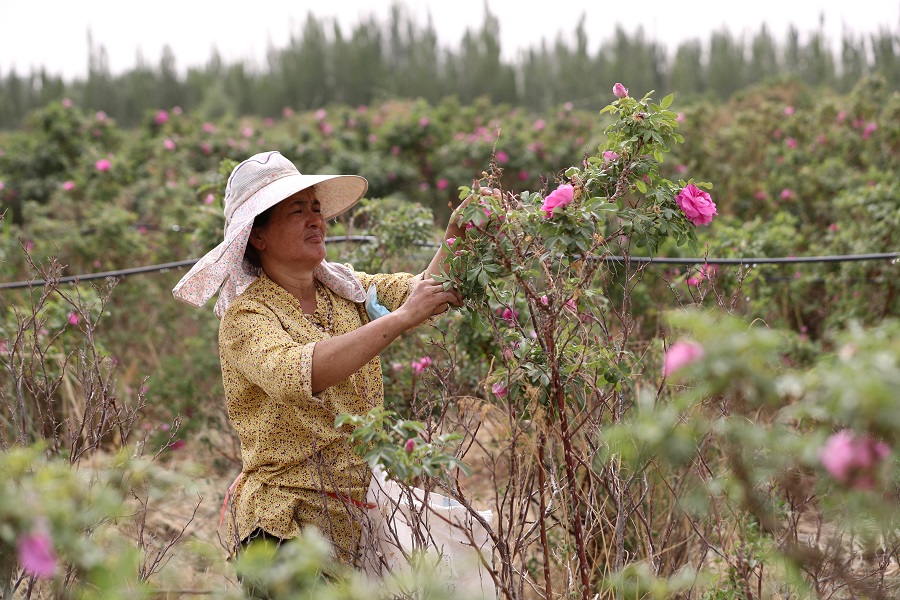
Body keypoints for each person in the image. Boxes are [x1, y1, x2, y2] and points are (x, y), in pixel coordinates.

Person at [171, 150, 465, 580]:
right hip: (281, 526)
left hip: (348, 520)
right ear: (258, 236)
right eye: (297, 211)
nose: (316, 220)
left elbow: (425, 291)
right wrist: (401, 320)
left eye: (316, 208)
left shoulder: (342, 288)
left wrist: (457, 232)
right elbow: (296, 374)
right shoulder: (248, 317)